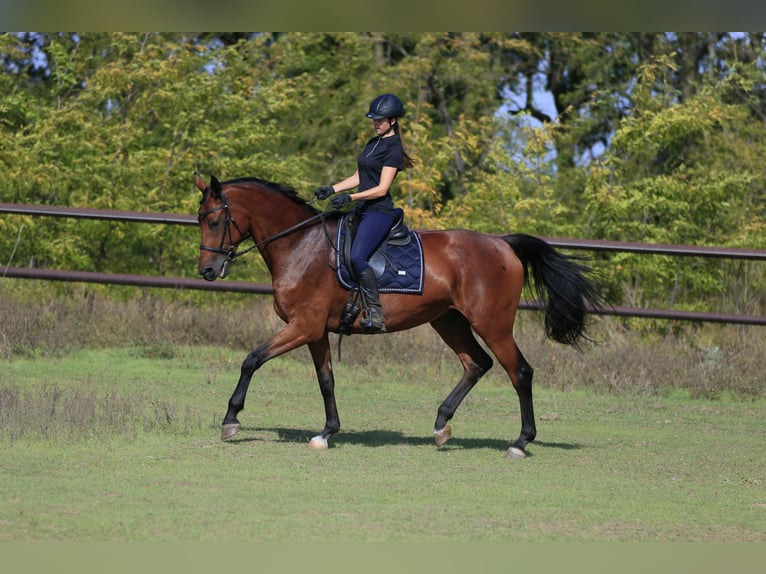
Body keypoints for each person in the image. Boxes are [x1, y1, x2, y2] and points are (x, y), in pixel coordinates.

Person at [315, 93, 415, 333]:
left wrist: (350, 197)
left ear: (392, 121)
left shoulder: (393, 148)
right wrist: (332, 188)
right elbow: (359, 176)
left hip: (378, 212)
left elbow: (381, 189)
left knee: (358, 257)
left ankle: (375, 312)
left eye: (380, 120)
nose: (375, 123)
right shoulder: (373, 143)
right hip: (361, 209)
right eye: (373, 120)